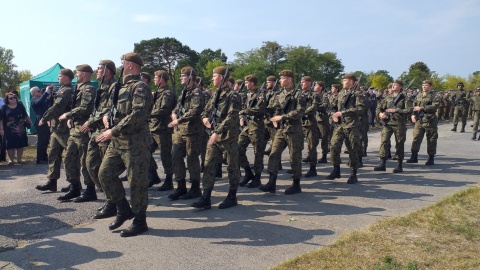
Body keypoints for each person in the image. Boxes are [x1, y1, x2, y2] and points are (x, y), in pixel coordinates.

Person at [96, 52, 153, 237]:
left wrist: (112, 130)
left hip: (135, 142)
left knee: (136, 183)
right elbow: (111, 108)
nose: (120, 65)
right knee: (104, 174)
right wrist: (106, 116)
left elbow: (138, 114)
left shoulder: (140, 87)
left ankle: (140, 221)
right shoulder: (119, 87)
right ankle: (122, 209)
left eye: (122, 62)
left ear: (130, 65)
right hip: (118, 141)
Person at [192, 65, 241, 209]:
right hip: (214, 135)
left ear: (222, 78)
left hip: (227, 137)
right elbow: (205, 111)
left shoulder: (234, 96)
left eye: (214, 76)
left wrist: (217, 131)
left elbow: (232, 117)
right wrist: (204, 119)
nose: (212, 78)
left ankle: (232, 197)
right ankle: (206, 198)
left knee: (232, 167)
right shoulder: (215, 94)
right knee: (209, 166)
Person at [260, 69, 306, 194]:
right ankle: (272, 183)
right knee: (273, 154)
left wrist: (283, 117)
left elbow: (300, 111)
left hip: (293, 130)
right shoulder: (280, 94)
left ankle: (296, 184)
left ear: (289, 79)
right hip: (281, 129)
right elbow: (276, 109)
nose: (280, 80)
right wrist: (274, 117)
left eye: (282, 78)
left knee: (294, 157)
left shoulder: (299, 95)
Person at [57, 64, 97, 202]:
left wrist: (68, 115)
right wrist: (72, 118)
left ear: (84, 74)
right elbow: (76, 106)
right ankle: (74, 187)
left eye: (78, 73)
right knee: (69, 158)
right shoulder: (78, 88)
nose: (76, 75)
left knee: (85, 160)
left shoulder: (88, 89)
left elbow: (86, 108)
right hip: (75, 128)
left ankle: (90, 190)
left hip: (84, 129)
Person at [81, 60, 117, 208]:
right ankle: (108, 194)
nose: (96, 70)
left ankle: (112, 201)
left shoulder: (114, 87)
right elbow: (97, 110)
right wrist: (92, 121)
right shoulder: (102, 87)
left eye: (100, 68)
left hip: (106, 131)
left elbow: (110, 108)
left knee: (105, 168)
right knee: (90, 163)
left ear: (107, 71)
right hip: (96, 130)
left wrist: (90, 121)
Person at [167, 66, 205, 199]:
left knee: (192, 159)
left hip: (192, 131)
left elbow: (195, 110)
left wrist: (179, 120)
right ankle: (181, 187)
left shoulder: (196, 92)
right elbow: (177, 108)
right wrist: (173, 114)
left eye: (183, 76)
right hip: (179, 131)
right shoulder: (184, 92)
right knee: (175, 156)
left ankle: (195, 189)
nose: (180, 78)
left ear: (190, 77)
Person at [35, 69, 74, 192]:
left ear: (67, 78)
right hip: (56, 128)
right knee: (53, 154)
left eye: (60, 76)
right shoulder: (61, 90)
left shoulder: (66, 91)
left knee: (70, 156)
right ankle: (52, 182)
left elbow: (57, 107)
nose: (58, 78)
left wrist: (45, 118)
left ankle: (74, 183)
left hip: (64, 128)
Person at [326, 73, 366, 184]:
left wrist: (343, 112)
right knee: (334, 145)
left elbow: (361, 108)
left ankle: (353, 173)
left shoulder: (358, 94)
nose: (343, 82)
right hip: (339, 125)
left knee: (353, 149)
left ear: (351, 82)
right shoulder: (339, 94)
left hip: (352, 125)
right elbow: (332, 108)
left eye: (345, 80)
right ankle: (336, 169)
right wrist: (333, 115)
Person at [374, 80, 412, 173]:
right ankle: (382, 163)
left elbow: (409, 110)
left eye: (396, 85)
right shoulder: (388, 97)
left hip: (399, 124)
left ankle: (399, 165)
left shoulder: (404, 98)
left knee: (399, 143)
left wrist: (396, 110)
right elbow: (379, 107)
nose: (393, 86)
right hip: (387, 123)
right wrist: (380, 114)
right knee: (384, 142)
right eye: (393, 85)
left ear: (400, 87)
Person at [148, 70, 176, 189]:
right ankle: (154, 175)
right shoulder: (157, 93)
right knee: (145, 151)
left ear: (162, 79)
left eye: (156, 77)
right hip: (153, 128)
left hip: (163, 129)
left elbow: (164, 109)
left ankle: (169, 180)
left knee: (165, 155)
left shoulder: (167, 93)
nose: (154, 79)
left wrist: (148, 114)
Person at [238, 74, 266, 188]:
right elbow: (244, 108)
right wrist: (241, 117)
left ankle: (257, 177)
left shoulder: (261, 95)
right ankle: (248, 172)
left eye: (247, 82)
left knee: (258, 153)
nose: (245, 84)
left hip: (257, 127)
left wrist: (245, 111)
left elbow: (260, 109)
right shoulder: (248, 95)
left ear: (252, 83)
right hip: (247, 126)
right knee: (238, 149)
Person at [406, 80, 440, 165]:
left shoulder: (434, 96)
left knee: (431, 139)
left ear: (430, 86)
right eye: (423, 85)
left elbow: (434, 107)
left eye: (426, 85)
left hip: (430, 121)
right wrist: (413, 115)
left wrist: (421, 108)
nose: (424, 86)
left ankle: (431, 158)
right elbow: (414, 106)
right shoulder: (419, 95)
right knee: (416, 138)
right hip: (419, 120)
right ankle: (414, 156)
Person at [0, 92, 32, 165]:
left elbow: (25, 115)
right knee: (10, 145)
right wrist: (1, 129)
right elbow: (1, 119)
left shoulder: (20, 105)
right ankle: (11, 160)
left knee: (20, 144)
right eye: (11, 98)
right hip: (8, 129)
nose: (13, 99)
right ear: (7, 99)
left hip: (20, 128)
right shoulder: (4, 107)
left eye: (14, 97)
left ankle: (19, 159)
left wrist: (30, 122)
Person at [300, 76, 319, 177]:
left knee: (311, 147)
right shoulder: (299, 94)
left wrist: (302, 112)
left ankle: (313, 168)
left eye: (303, 82)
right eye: (301, 82)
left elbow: (314, 107)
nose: (301, 84)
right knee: (296, 146)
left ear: (309, 83)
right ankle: (296, 167)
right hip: (299, 123)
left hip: (310, 123)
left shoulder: (314, 95)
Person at [30, 86, 52, 164]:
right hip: (40, 122)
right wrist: (46, 92)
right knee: (42, 141)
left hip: (47, 121)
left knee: (46, 140)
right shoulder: (33, 100)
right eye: (38, 91)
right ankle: (39, 159)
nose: (40, 92)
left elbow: (48, 103)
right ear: (33, 93)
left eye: (40, 91)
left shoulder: (42, 99)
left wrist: (50, 93)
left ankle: (44, 157)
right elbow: (39, 101)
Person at [315, 81, 330, 163]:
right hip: (315, 119)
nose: (314, 86)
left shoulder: (324, 96)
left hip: (322, 119)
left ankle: (324, 156)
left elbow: (325, 105)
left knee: (324, 138)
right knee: (313, 138)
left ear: (320, 87)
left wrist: (316, 106)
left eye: (316, 85)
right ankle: (311, 155)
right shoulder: (314, 95)